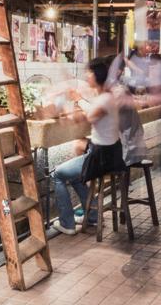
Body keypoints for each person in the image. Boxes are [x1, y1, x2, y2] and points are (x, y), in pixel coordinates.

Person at [50, 58, 119, 235]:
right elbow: (83, 116)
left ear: (97, 75)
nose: (87, 76)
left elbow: (90, 116)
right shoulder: (106, 97)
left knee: (58, 174)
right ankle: (93, 215)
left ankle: (67, 224)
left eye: (89, 72)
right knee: (74, 175)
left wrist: (78, 99)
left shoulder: (106, 99)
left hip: (102, 158)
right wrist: (67, 110)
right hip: (107, 155)